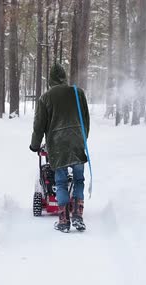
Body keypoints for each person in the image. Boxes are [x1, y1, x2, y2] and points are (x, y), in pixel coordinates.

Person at [29, 63, 90, 233]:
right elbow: (85, 120)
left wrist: (35, 145)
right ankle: (78, 215)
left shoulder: (45, 98)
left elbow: (38, 126)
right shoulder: (78, 93)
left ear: (50, 79)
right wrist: (82, 139)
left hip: (57, 146)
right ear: (64, 77)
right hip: (77, 143)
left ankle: (64, 221)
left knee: (61, 181)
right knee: (78, 179)